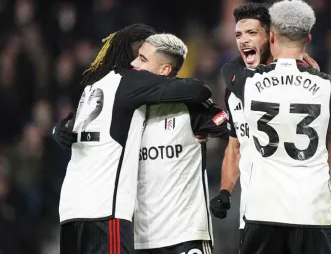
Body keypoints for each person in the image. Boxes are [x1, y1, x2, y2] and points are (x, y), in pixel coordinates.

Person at [54, 24, 212, 254]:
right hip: (105, 210)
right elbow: (199, 90)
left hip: (70, 210)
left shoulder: (92, 87)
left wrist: (57, 129)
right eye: (143, 52)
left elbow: (70, 128)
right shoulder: (129, 82)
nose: (142, 61)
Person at [221, 0, 331, 254]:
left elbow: (229, 70)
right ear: (308, 39)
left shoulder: (246, 85)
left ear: (271, 36)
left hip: (261, 212)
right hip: (311, 213)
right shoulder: (328, 86)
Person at [130, 33, 227, 254]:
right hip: (141, 240)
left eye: (143, 59)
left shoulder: (190, 107)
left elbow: (234, 131)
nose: (134, 64)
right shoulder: (129, 110)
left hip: (185, 236)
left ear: (165, 70)